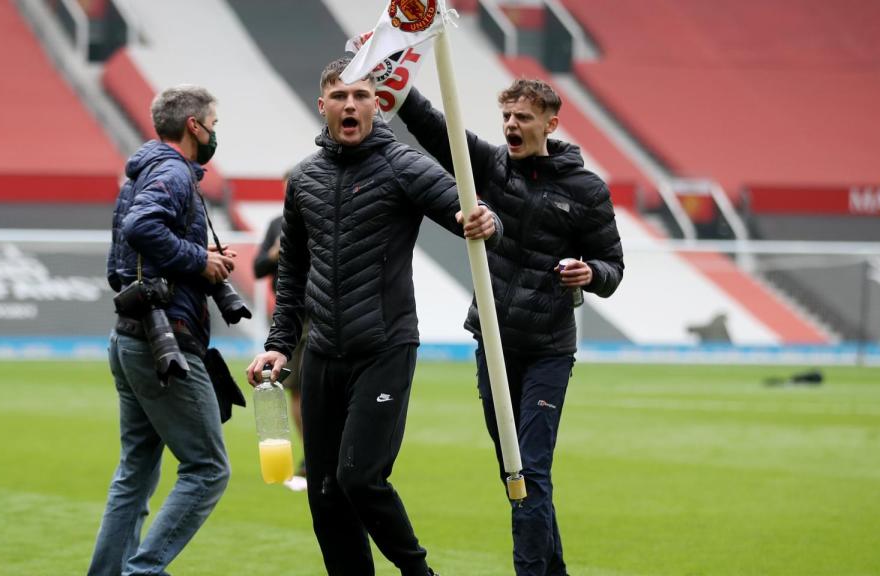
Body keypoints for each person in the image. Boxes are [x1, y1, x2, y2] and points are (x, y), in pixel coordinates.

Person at [245, 57, 501, 576]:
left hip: (384, 347)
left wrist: (485, 220)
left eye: (361, 95)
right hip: (321, 353)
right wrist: (278, 343)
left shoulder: (403, 165)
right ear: (323, 106)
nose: (351, 105)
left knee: (359, 479)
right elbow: (291, 271)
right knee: (324, 493)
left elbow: (465, 210)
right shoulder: (304, 178)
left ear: (377, 104)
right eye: (340, 96)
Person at [396, 80, 625, 575]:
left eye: (522, 117)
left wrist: (591, 273)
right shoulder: (491, 165)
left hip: (548, 350)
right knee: (515, 476)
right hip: (494, 344)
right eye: (506, 117)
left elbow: (613, 267)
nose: (511, 126)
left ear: (550, 124)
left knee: (529, 472)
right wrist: (398, 86)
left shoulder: (587, 190)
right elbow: (437, 130)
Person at [91, 85, 238, 576]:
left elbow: (126, 257)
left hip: (130, 336)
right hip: (164, 342)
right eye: (213, 125)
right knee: (208, 469)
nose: (214, 134)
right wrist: (199, 260)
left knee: (135, 473)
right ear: (194, 125)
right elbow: (142, 227)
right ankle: (144, 571)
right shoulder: (173, 172)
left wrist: (199, 259)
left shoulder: (142, 172)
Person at [253, 209, 307, 479]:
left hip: (324, 311)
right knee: (297, 389)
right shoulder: (277, 223)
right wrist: (275, 254)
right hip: (290, 315)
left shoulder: (323, 213)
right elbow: (258, 268)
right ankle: (311, 454)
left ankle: (328, 453)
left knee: (319, 387)